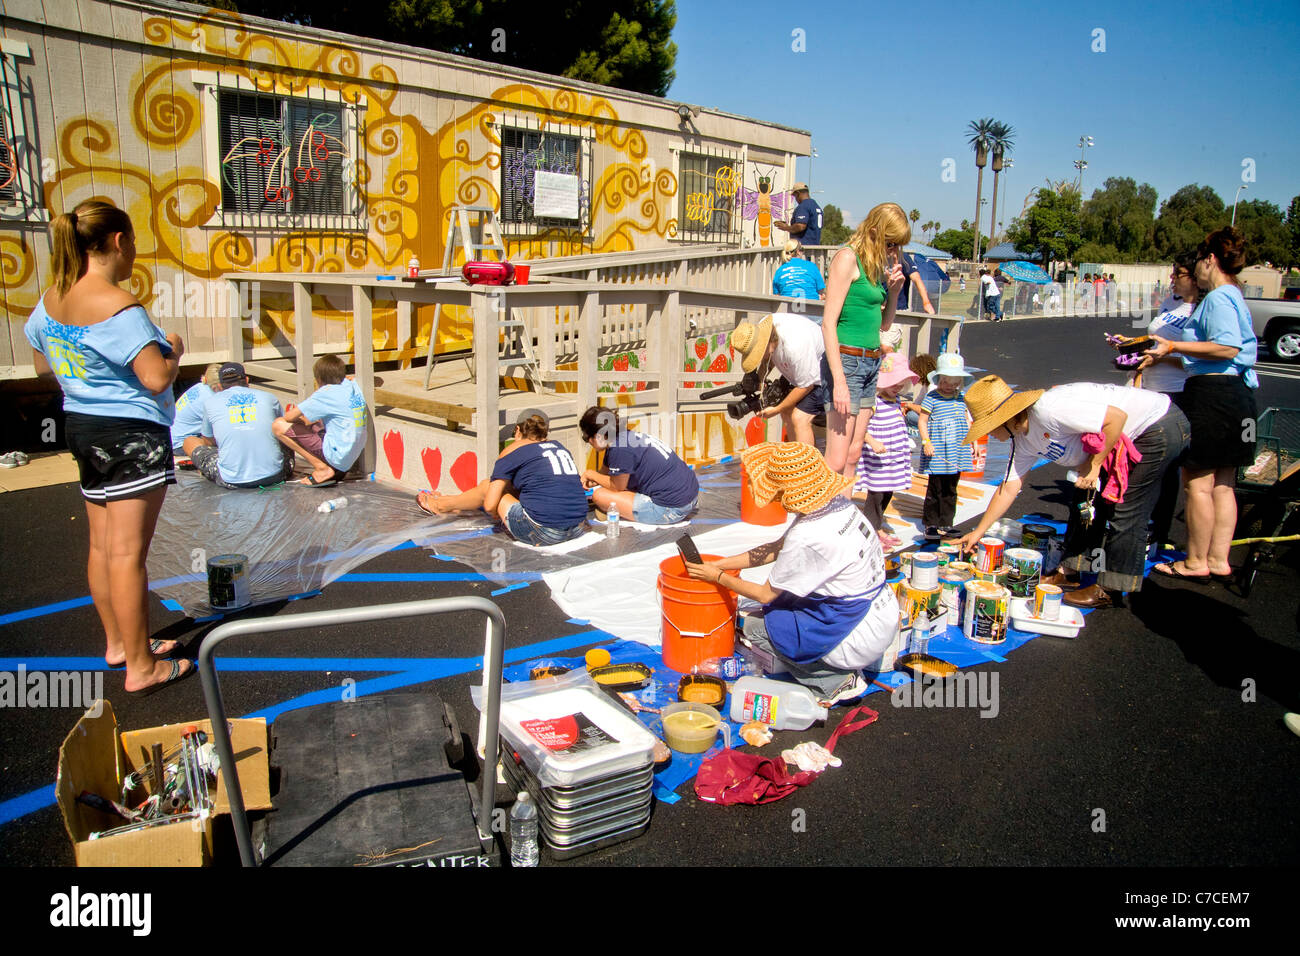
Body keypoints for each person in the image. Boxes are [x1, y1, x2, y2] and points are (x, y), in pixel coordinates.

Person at [24, 199, 192, 694]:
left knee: (102, 547)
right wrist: (174, 347)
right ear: (118, 242)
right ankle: (142, 667)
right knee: (127, 555)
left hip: (81, 426)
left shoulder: (52, 298)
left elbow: (40, 367)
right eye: (134, 242)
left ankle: (121, 645)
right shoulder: (119, 307)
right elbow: (157, 378)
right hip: (129, 437)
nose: (134, 251)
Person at [684, 442, 900, 705]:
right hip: (882, 611)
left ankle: (833, 681)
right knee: (783, 604)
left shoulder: (809, 535)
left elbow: (765, 594)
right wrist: (722, 564)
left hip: (857, 634)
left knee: (755, 627)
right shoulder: (839, 506)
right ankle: (822, 659)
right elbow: (776, 548)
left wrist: (716, 577)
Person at [956, 375, 1190, 609]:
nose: (988, 435)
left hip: (1156, 425)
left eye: (988, 428)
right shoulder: (1022, 439)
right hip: (1120, 435)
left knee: (1125, 508)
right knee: (1084, 501)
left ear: (1005, 419)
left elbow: (1117, 418)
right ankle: (1071, 571)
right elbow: (1008, 488)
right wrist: (979, 531)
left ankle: (1111, 588)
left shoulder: (1049, 410)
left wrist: (1095, 464)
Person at [1144, 227, 1259, 582]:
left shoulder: (1219, 298)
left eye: (1200, 263)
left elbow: (1226, 348)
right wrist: (1164, 354)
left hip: (1214, 398)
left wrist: (1174, 346)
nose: (1198, 271)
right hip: (1236, 394)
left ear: (1210, 259)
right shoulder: (1235, 296)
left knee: (1198, 484)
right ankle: (1218, 559)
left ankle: (1195, 561)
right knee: (1223, 484)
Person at [820, 202, 908, 478]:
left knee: (854, 454)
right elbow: (828, 323)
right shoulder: (847, 258)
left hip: (870, 362)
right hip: (847, 361)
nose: (894, 251)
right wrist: (840, 383)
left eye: (898, 245)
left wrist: (893, 293)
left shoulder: (872, 267)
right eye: (891, 243)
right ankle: (812, 516)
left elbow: (884, 324)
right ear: (873, 231)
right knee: (835, 459)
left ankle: (841, 516)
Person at [416, 413, 588, 546]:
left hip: (543, 532)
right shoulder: (560, 447)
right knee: (509, 489)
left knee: (487, 487)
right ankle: (452, 503)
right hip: (578, 527)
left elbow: (490, 505)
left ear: (518, 431)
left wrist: (496, 511)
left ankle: (441, 505)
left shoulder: (513, 451)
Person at [1134, 254, 1201, 553]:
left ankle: (1159, 529)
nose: (1172, 278)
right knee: (1141, 458)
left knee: (1167, 464)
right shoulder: (1170, 302)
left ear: (1195, 276)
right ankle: (1141, 520)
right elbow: (1154, 340)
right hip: (1150, 388)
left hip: (1178, 391)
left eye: (1180, 273)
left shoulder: (1200, 309)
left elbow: (1197, 359)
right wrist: (1132, 345)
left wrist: (1164, 356)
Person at [578, 406, 699, 525]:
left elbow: (617, 486)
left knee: (599, 496)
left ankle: (614, 509)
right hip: (689, 496)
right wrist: (589, 480)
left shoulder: (619, 449)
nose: (588, 442)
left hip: (672, 508)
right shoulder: (623, 438)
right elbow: (603, 474)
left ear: (598, 436)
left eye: (586, 437)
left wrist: (590, 474)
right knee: (609, 491)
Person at [184, 363, 294, 489]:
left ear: (219, 386)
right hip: (276, 475)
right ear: (247, 380)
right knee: (283, 432)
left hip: (232, 480)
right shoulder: (269, 397)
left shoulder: (210, 403)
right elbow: (283, 428)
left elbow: (208, 441)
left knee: (189, 441)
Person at [272, 353, 368, 487]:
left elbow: (288, 417)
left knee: (278, 426)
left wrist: (299, 419)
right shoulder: (352, 385)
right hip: (348, 461)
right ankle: (325, 467)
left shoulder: (325, 393)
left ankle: (322, 469)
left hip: (336, 460)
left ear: (319, 379)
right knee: (312, 421)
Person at [730, 312, 825, 445]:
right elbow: (769, 358)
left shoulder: (795, 347)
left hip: (823, 373)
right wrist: (760, 380)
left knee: (800, 418)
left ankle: (807, 463)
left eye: (758, 353)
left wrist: (776, 409)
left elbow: (807, 385)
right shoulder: (764, 328)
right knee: (787, 412)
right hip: (799, 373)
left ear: (768, 342)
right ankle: (795, 457)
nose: (758, 357)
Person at [853, 352, 917, 549]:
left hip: (893, 456)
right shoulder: (874, 402)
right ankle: (871, 531)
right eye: (893, 382)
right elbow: (859, 426)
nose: (897, 387)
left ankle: (877, 527)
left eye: (900, 383)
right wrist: (871, 441)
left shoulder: (896, 401)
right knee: (877, 494)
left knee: (887, 492)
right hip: (878, 458)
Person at [918, 353, 974, 539]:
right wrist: (926, 441)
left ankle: (946, 523)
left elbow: (966, 420)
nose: (949, 386)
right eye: (945, 382)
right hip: (938, 451)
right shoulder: (932, 397)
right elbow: (922, 420)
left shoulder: (960, 398)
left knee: (951, 489)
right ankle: (931, 524)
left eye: (954, 382)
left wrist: (972, 441)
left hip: (957, 451)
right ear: (939, 379)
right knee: (935, 489)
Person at [170, 363, 222, 454]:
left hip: (173, 437)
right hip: (180, 445)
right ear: (217, 386)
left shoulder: (200, 386)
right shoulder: (210, 399)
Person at [774, 182, 822, 247]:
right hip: (814, 248)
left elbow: (800, 226)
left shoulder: (803, 206)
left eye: (795, 196)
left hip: (803, 248)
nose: (795, 199)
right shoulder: (816, 206)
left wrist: (786, 227)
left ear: (798, 193)